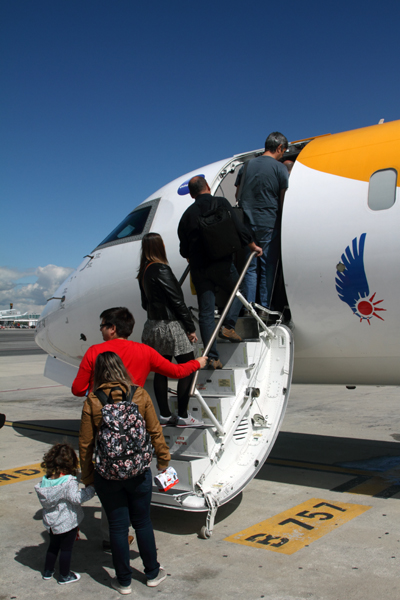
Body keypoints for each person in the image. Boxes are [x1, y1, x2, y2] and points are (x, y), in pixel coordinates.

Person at [79, 351, 170, 593]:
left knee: (118, 527)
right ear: (122, 368)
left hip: (107, 475)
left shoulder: (93, 400)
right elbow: (155, 431)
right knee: (142, 522)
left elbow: (86, 443)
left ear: (98, 372)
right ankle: (152, 573)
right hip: (138, 472)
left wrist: (88, 477)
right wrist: (163, 459)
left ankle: (124, 580)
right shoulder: (139, 394)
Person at [178, 176, 262, 369]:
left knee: (206, 313)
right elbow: (239, 228)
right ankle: (229, 326)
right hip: (222, 263)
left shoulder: (187, 215)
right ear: (207, 187)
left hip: (199, 268)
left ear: (191, 194)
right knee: (237, 290)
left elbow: (183, 250)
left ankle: (212, 357)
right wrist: (252, 246)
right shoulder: (221, 203)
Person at [138, 232, 203, 427]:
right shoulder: (161, 269)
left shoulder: (143, 271)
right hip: (170, 326)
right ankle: (183, 415)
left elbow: (144, 303)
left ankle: (165, 415)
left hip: (152, 326)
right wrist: (190, 327)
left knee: (161, 370)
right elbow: (177, 301)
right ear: (160, 247)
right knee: (189, 367)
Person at [71, 306, 207, 397]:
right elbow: (177, 372)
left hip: (102, 417)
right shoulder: (145, 351)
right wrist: (196, 363)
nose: (100, 329)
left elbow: (78, 390)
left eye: (102, 326)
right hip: (133, 416)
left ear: (112, 328)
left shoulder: (94, 351)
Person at [235, 132, 289, 316]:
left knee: (250, 268)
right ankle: (264, 309)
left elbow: (237, 195)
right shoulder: (280, 168)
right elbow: (283, 199)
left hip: (247, 224)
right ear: (280, 148)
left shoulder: (246, 166)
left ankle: (249, 309)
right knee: (267, 267)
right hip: (269, 223)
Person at [35, 443, 95, 585]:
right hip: (66, 523)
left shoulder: (46, 481)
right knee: (66, 550)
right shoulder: (68, 482)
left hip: (51, 523)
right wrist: (91, 490)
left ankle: (48, 571)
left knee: (53, 547)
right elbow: (76, 498)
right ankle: (64, 575)